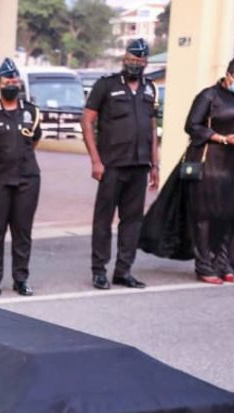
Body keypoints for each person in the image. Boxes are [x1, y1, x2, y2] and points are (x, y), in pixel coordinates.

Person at [81, 37, 159, 291]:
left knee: (132, 221)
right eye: (131, 59)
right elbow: (87, 121)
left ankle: (123, 271)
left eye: (139, 60)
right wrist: (95, 160)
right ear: (124, 59)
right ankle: (99, 271)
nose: (135, 63)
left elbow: (151, 128)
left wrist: (155, 165)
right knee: (103, 220)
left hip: (139, 165)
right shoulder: (106, 85)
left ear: (146, 62)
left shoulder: (150, 89)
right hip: (111, 165)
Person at [185, 56, 234, 284]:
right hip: (212, 163)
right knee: (206, 215)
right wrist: (223, 139)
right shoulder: (208, 96)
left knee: (231, 214)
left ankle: (223, 263)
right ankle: (204, 265)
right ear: (229, 75)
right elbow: (192, 126)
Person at [0, 58, 42, 297]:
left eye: (15, 80)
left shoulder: (31, 112)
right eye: (7, 80)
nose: (11, 84)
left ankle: (21, 279)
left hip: (27, 179)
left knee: (22, 232)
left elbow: (33, 140)